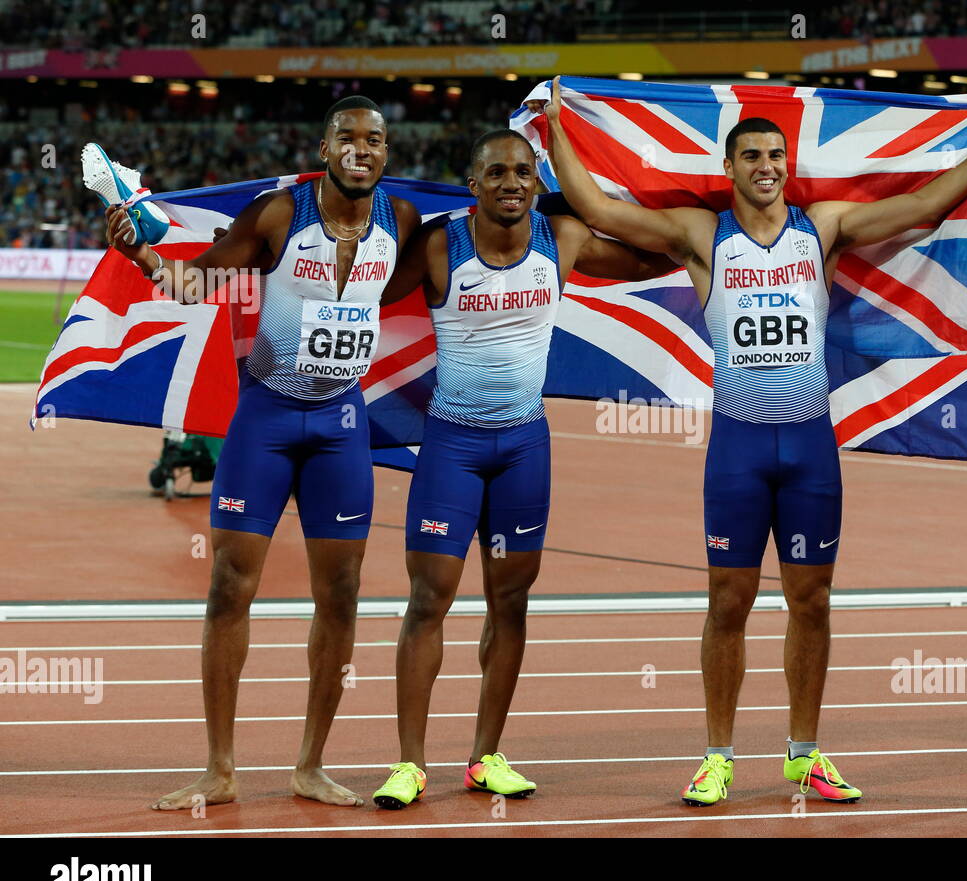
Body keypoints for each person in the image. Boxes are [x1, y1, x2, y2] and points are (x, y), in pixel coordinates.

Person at [545, 78, 967, 806]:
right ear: (728, 167)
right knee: (726, 602)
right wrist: (555, 128)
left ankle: (804, 752)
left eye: (776, 155)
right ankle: (718, 754)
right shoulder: (702, 234)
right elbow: (601, 209)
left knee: (812, 602)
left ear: (788, 166)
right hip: (738, 446)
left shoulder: (820, 226)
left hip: (809, 447)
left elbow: (921, 206)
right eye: (752, 154)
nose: (766, 165)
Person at [105, 96, 420, 809]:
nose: (361, 148)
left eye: (375, 139)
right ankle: (220, 767)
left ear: (387, 153)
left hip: (342, 422)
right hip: (267, 419)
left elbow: (410, 287)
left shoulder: (399, 222)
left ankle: (310, 764)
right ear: (325, 144)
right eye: (348, 136)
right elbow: (202, 281)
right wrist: (142, 253)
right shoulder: (283, 214)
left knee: (341, 595)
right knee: (227, 585)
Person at [370, 128, 675, 808]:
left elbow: (650, 260)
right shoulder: (442, 245)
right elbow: (362, 292)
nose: (512, 181)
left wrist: (697, 230)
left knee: (510, 601)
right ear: (472, 183)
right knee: (429, 598)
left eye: (523, 172)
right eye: (497, 172)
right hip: (451, 445)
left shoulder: (560, 239)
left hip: (523, 450)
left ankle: (485, 756)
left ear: (538, 182)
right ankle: (409, 763)